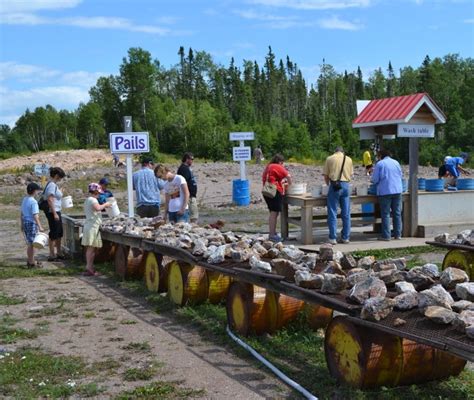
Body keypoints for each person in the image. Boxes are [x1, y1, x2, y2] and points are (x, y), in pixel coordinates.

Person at [323, 146, 354, 244]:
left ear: (335, 151)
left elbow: (326, 176)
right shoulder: (348, 159)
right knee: (346, 213)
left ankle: (332, 238)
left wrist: (327, 185)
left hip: (334, 185)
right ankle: (345, 237)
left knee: (332, 211)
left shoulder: (330, 158)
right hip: (346, 186)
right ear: (342, 151)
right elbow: (351, 175)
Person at [371, 148, 403, 241]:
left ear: (381, 156)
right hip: (397, 190)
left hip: (385, 191)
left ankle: (386, 236)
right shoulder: (396, 162)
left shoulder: (380, 164)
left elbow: (375, 179)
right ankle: (398, 234)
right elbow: (400, 175)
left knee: (385, 214)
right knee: (397, 213)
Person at [81, 183, 112, 276]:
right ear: (95, 191)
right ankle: (89, 268)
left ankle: (90, 267)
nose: (99, 194)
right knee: (91, 248)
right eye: (98, 192)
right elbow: (98, 208)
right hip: (92, 226)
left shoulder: (88, 200)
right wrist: (106, 204)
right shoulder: (92, 200)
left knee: (91, 248)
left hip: (91, 225)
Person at [262, 154, 292, 243]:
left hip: (266, 191)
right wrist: (290, 184)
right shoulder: (278, 166)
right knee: (274, 213)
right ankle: (272, 235)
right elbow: (288, 176)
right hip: (274, 191)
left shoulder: (269, 166)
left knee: (272, 212)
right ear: (280, 162)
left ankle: (273, 233)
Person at [43, 167, 66, 261]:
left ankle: (59, 252)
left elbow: (55, 196)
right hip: (53, 212)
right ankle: (52, 254)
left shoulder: (54, 185)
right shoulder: (52, 185)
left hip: (56, 210)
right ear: (56, 176)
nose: (61, 179)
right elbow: (50, 199)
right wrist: (55, 213)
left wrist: (61, 191)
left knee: (59, 232)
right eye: (60, 177)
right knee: (53, 233)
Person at [21, 182, 45, 268]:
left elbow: (22, 213)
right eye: (37, 190)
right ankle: (31, 262)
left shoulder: (25, 199)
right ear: (34, 191)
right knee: (32, 244)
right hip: (31, 223)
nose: (38, 192)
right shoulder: (34, 202)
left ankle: (31, 259)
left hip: (25, 222)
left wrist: (21, 224)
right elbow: (35, 215)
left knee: (30, 243)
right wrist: (40, 226)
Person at [177, 152, 198, 223]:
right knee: (193, 216)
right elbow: (183, 183)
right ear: (187, 159)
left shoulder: (187, 168)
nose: (192, 161)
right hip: (189, 196)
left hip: (191, 195)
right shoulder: (184, 169)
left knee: (193, 215)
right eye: (191, 159)